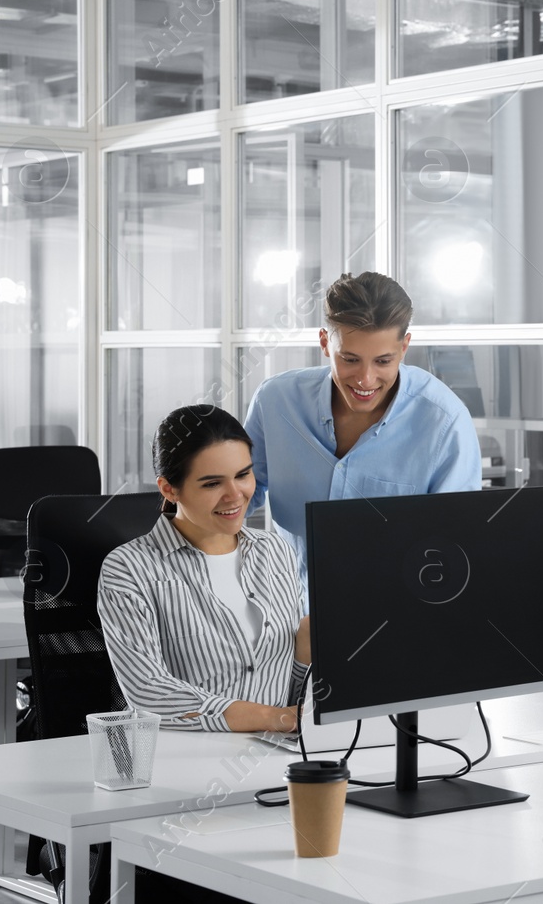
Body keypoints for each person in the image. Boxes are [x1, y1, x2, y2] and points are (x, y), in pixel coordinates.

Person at [244, 271, 482, 594]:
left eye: (383, 361)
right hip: (290, 615)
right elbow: (236, 496)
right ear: (326, 344)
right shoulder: (274, 403)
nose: (366, 379)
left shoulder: (445, 423)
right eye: (350, 359)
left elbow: (456, 549)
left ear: (404, 347)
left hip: (400, 619)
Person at [99, 406, 310, 732]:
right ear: (169, 489)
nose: (235, 496)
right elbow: (148, 692)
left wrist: (305, 656)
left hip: (277, 753)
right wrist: (272, 718)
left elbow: (293, 698)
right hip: (184, 761)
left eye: (243, 475)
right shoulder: (129, 568)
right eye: (212, 484)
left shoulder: (274, 551)